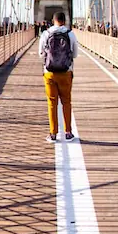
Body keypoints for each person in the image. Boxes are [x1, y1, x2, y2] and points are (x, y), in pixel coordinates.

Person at [39, 11, 78, 143]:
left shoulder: (46, 34)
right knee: (66, 102)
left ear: (53, 20)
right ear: (64, 20)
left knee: (52, 103)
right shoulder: (70, 34)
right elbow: (75, 55)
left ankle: (53, 134)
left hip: (49, 73)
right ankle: (68, 133)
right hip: (66, 73)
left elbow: (40, 53)